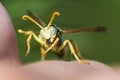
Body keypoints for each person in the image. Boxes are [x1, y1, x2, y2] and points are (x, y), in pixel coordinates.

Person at [0, 3, 119, 80]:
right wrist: (26, 41)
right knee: (31, 33)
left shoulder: (57, 35)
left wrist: (79, 60)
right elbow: (34, 34)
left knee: (69, 42)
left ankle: (79, 59)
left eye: (50, 33)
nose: (47, 36)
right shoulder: (44, 33)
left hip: (60, 49)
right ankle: (42, 58)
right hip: (45, 51)